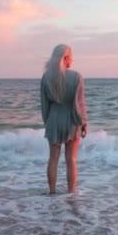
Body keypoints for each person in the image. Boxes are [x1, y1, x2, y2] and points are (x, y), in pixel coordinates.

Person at [40, 44, 88, 194]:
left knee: (53, 158)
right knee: (71, 159)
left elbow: (44, 104)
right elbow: (80, 103)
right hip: (72, 119)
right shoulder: (76, 76)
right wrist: (83, 122)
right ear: (65, 58)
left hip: (53, 118)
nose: (72, 60)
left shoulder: (46, 77)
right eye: (71, 57)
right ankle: (71, 192)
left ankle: (52, 192)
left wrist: (47, 122)